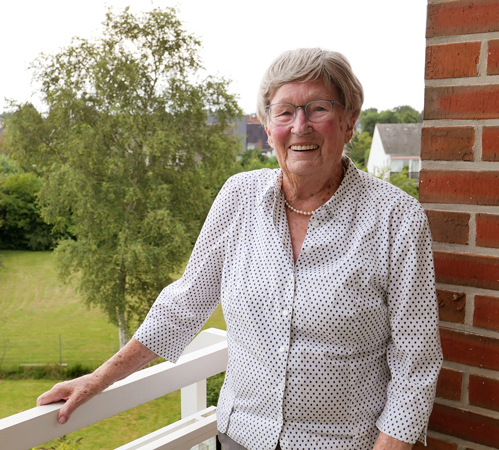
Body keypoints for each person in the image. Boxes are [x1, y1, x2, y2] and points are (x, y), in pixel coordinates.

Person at [37, 48, 442, 450]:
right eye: (284, 112)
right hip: (238, 438)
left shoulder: (396, 218)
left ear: (350, 120)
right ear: (268, 127)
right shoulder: (239, 197)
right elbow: (184, 304)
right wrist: (98, 379)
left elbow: (417, 363)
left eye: (318, 108)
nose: (300, 126)